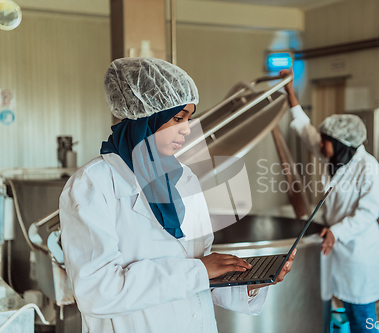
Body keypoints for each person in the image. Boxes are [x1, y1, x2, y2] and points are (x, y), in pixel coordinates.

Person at [59, 57, 296, 333]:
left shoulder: (184, 179)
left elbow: (201, 270)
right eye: (178, 118)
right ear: (147, 117)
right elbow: (97, 291)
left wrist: (252, 282)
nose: (186, 128)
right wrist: (199, 271)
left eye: (189, 119)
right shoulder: (93, 185)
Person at [280, 69, 379, 333]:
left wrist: (336, 233)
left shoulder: (368, 167)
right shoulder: (337, 156)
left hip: (357, 250)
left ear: (341, 144)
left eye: (326, 143)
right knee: (331, 309)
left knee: (362, 316)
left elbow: (367, 213)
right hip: (332, 247)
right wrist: (290, 92)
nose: (321, 147)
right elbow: (305, 131)